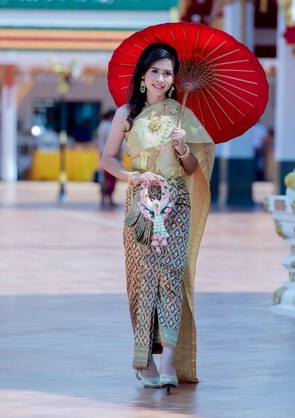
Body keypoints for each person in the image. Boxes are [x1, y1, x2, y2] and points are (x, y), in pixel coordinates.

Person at [101, 43, 215, 393]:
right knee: (141, 279)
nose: (162, 78)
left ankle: (168, 359)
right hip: (140, 205)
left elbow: (193, 168)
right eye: (156, 71)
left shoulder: (183, 116)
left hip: (177, 203)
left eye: (168, 73)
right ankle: (144, 359)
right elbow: (108, 159)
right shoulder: (126, 114)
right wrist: (132, 177)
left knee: (171, 277)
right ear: (143, 75)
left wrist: (183, 149)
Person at [97, 109, 117, 208]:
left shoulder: (102, 126)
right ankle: (106, 198)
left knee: (107, 178)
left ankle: (106, 199)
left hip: (104, 153)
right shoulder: (107, 126)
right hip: (109, 154)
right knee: (109, 178)